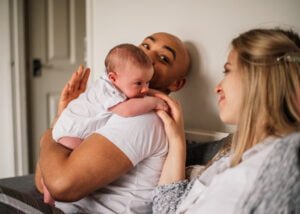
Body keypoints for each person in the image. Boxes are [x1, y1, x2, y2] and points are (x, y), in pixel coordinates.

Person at [35, 32, 191, 213]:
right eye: (145, 46)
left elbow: (60, 186)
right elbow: (42, 181)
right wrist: (64, 114)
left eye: (164, 58)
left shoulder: (145, 118)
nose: (147, 56)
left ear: (176, 84)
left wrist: (50, 134)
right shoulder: (112, 103)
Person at [152, 28, 300, 213]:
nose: (218, 87)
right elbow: (170, 208)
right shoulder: (233, 149)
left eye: (227, 70)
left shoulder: (283, 161)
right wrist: (176, 138)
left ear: (258, 78)